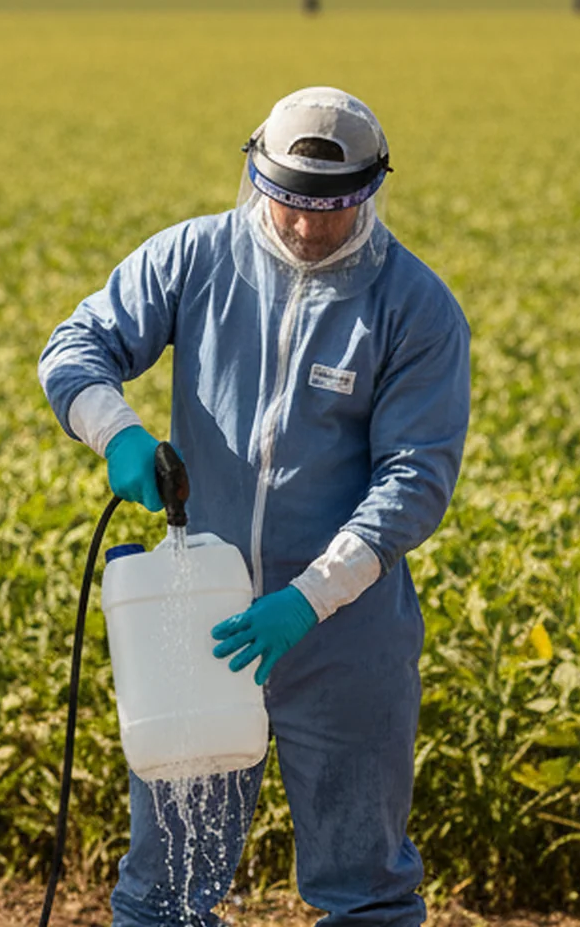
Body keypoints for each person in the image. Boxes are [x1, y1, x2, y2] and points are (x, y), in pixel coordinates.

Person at [39, 87, 471, 927]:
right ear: (256, 176)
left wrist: (308, 599)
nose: (309, 228)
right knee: (168, 881)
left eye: (335, 209)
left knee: (364, 887)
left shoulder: (415, 309)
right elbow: (76, 348)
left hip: (346, 634)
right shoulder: (193, 259)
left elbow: (414, 481)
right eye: (292, 203)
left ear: (372, 192)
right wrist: (120, 435)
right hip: (200, 617)